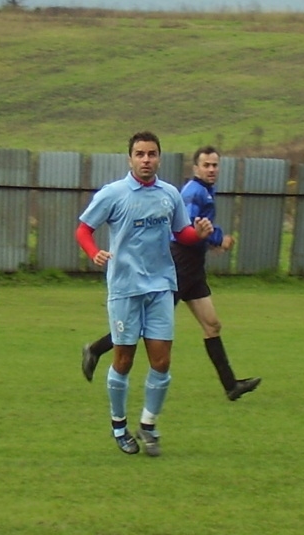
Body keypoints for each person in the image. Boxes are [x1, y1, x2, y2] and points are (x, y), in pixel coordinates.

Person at [81, 145, 261, 401]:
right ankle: (95, 349)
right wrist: (217, 239)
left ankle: (231, 385)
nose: (211, 169)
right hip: (179, 267)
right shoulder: (192, 192)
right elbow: (187, 227)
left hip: (194, 268)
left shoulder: (207, 190)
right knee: (145, 326)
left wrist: (210, 241)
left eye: (215, 165)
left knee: (212, 325)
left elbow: (197, 230)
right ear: (195, 168)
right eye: (206, 165)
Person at [76, 131, 213, 456]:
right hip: (125, 290)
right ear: (130, 159)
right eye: (140, 154)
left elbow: (182, 233)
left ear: (159, 158)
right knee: (123, 360)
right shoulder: (114, 194)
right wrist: (93, 252)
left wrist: (200, 233)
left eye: (152, 154)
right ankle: (119, 426)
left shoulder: (169, 195)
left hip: (161, 288)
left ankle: (148, 426)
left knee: (162, 362)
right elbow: (83, 229)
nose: (146, 160)